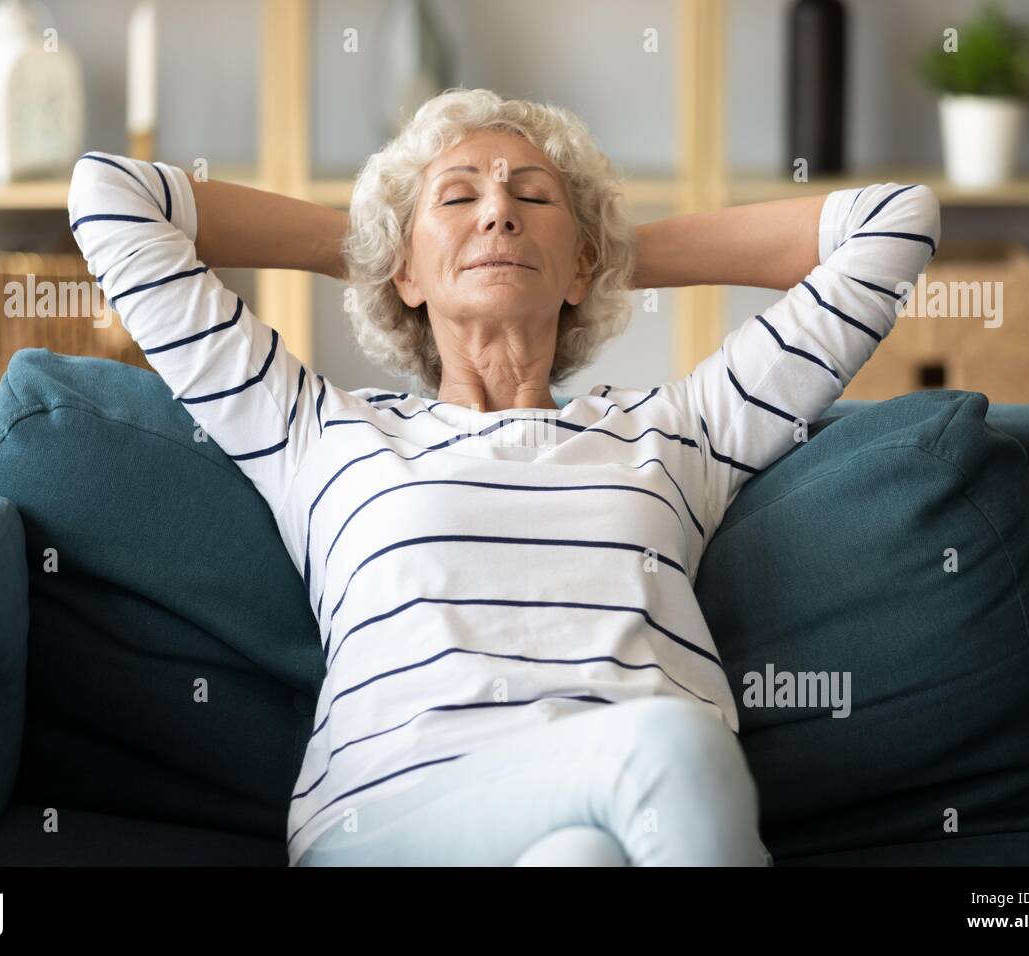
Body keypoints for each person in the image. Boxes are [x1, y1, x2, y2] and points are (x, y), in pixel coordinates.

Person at [67, 87, 940, 866]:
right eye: (459, 197)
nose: (498, 214)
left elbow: (895, 222)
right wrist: (376, 246)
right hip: (392, 819)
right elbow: (111, 196)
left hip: (624, 826)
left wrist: (608, 259)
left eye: (531, 198)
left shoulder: (675, 433)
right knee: (671, 751)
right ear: (402, 270)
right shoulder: (320, 432)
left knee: (582, 856)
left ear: (583, 266)